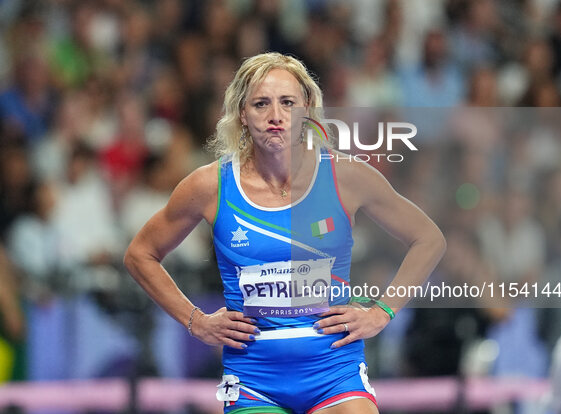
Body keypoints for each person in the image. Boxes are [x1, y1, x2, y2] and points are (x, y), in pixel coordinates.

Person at [124, 52, 446, 414]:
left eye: (287, 102)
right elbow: (140, 254)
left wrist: (383, 311)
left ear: (306, 109)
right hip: (254, 379)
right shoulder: (210, 185)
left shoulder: (345, 176)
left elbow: (429, 239)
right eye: (261, 103)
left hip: (334, 372)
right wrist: (195, 320)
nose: (275, 116)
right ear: (242, 114)